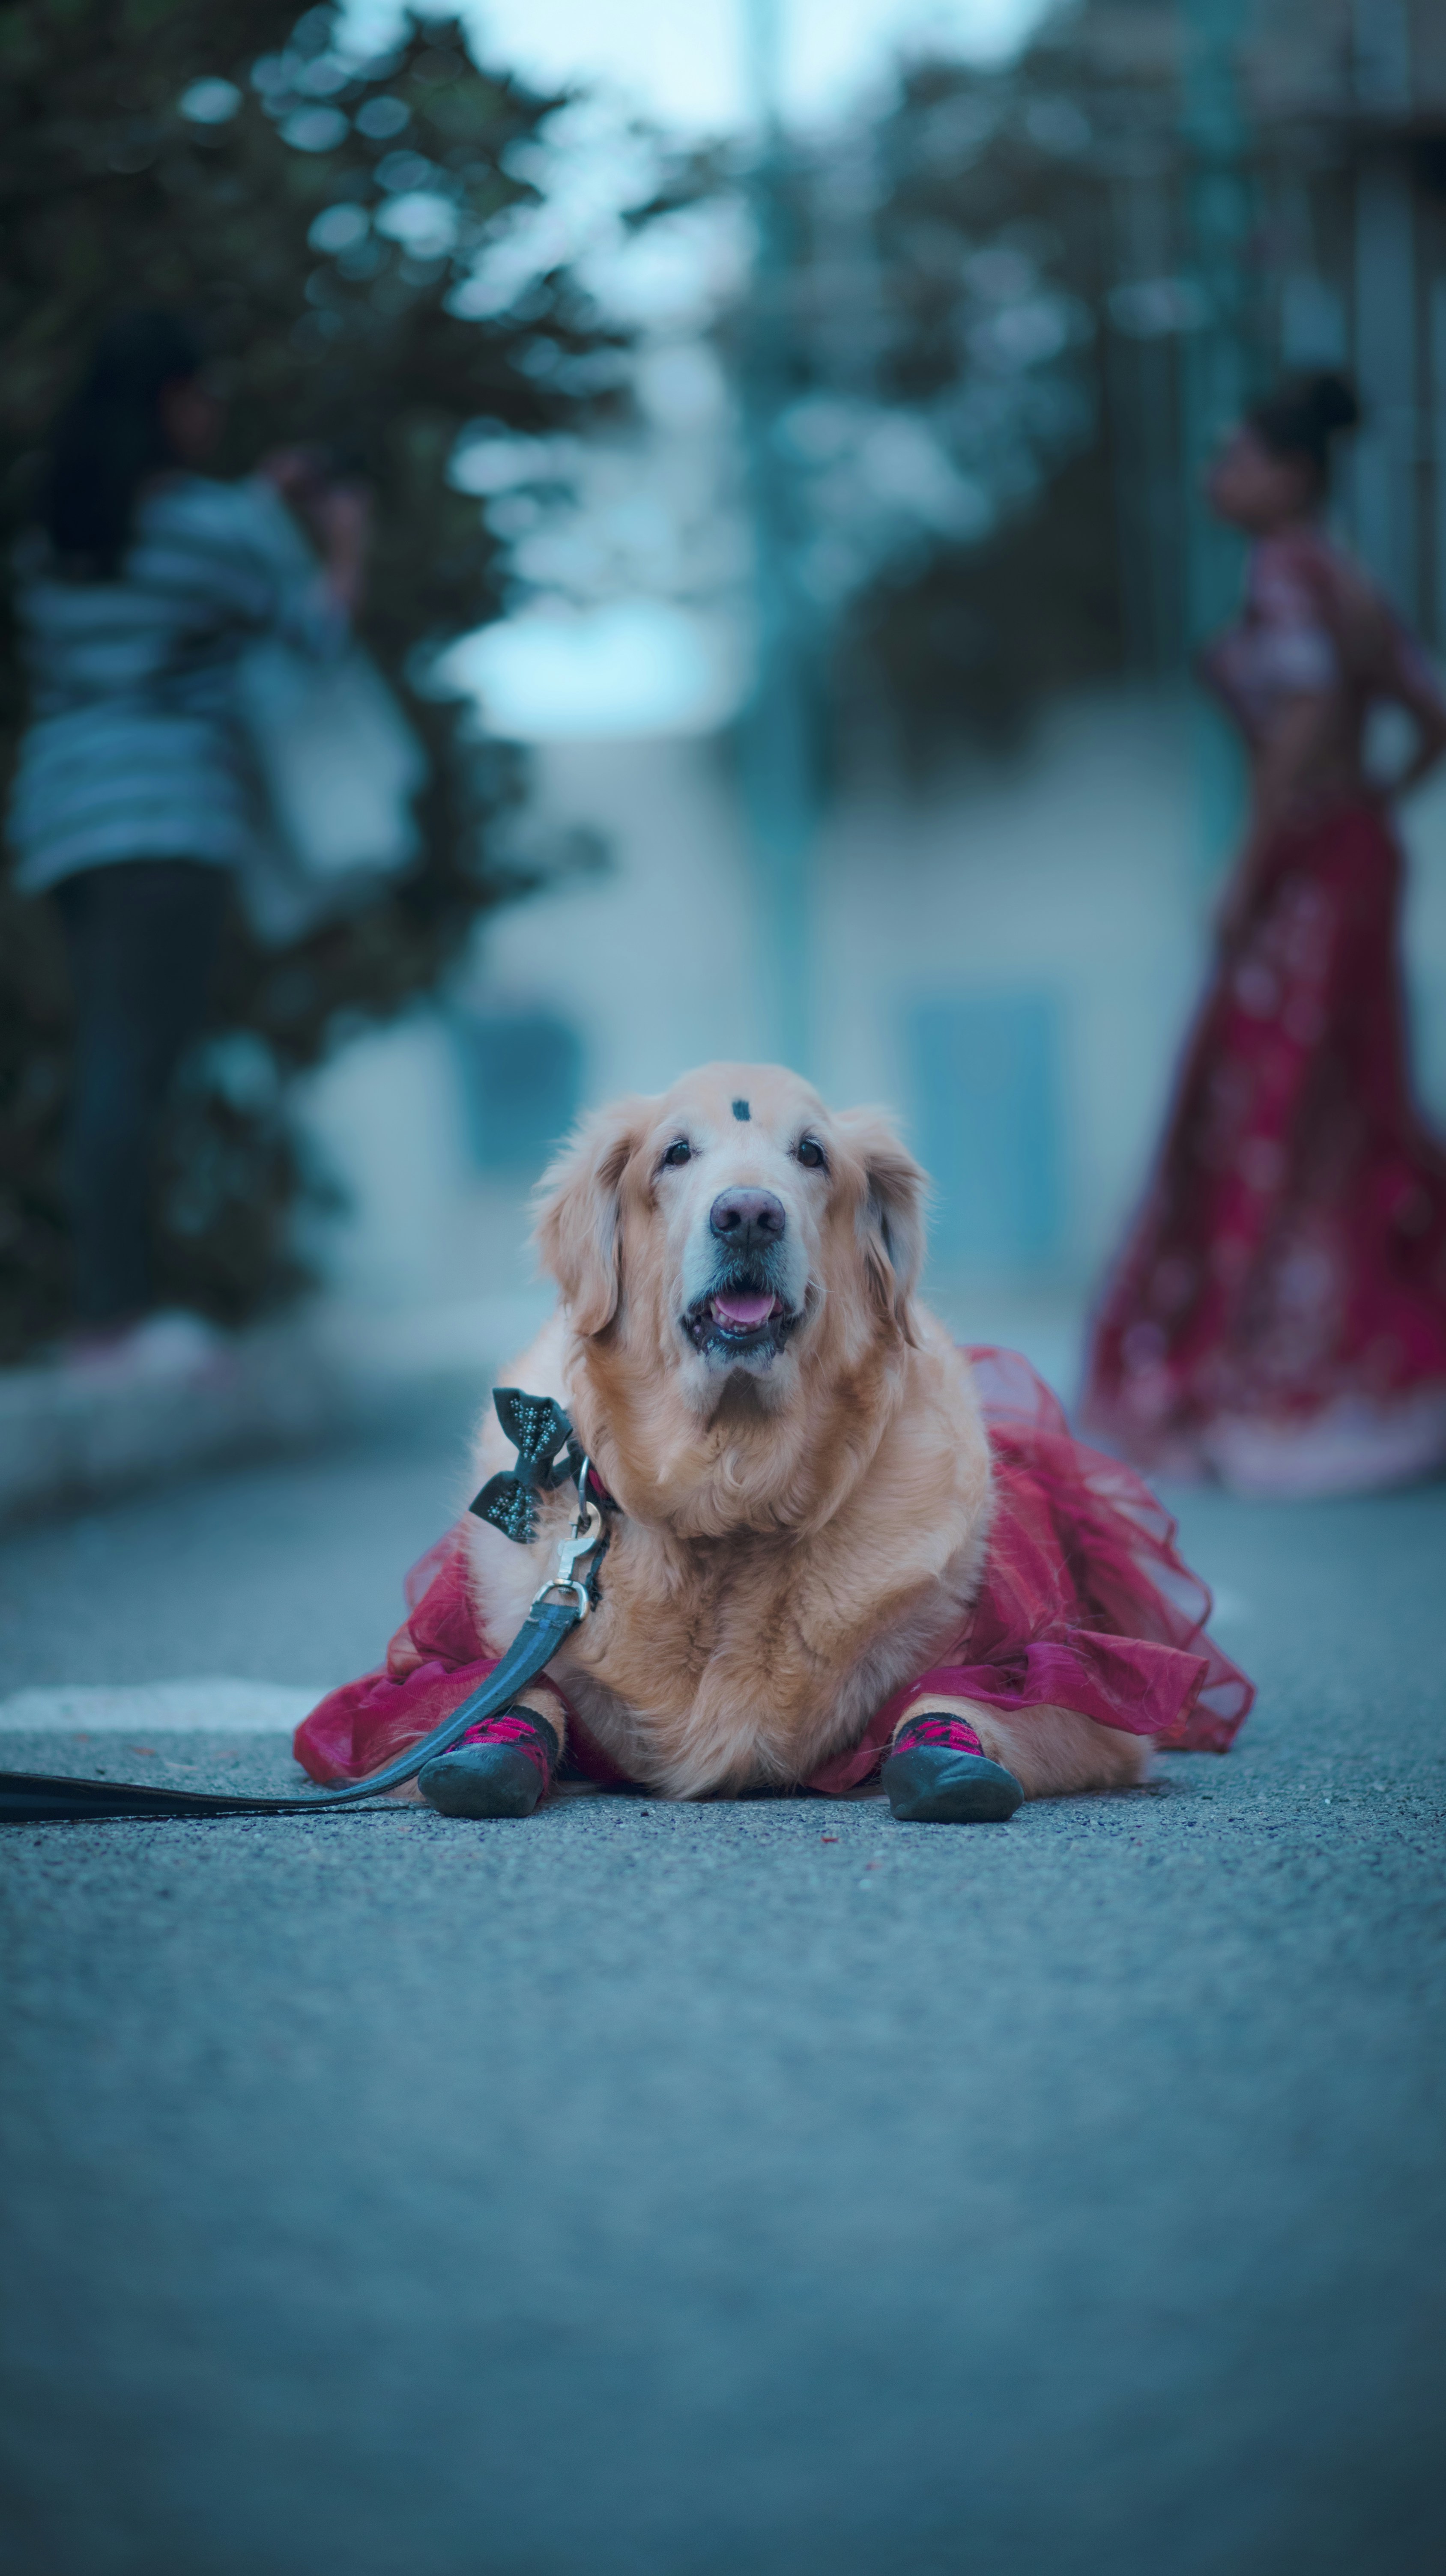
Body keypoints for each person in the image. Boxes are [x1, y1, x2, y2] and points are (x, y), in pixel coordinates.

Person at [1081, 370, 1446, 1497]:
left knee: (1267, 1104)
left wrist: (1254, 864)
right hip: (1351, 856)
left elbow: (1302, 722)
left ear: (1290, 475)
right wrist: (1373, 806)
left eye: (1236, 459)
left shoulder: (1287, 571)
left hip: (1309, 867)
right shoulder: (1346, 579)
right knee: (1343, 1100)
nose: (1217, 478)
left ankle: (1281, 1370)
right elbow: (1427, 713)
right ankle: (1366, 1361)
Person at [6, 312, 369, 1367]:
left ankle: (111, 1306)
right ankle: (117, 1317)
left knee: (110, 1049)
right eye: (203, 394)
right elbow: (312, 633)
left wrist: (253, 502)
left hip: (67, 820)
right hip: (170, 817)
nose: (212, 411)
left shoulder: (53, 533)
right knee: (133, 1063)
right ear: (171, 403)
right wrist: (343, 539)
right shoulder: (209, 529)